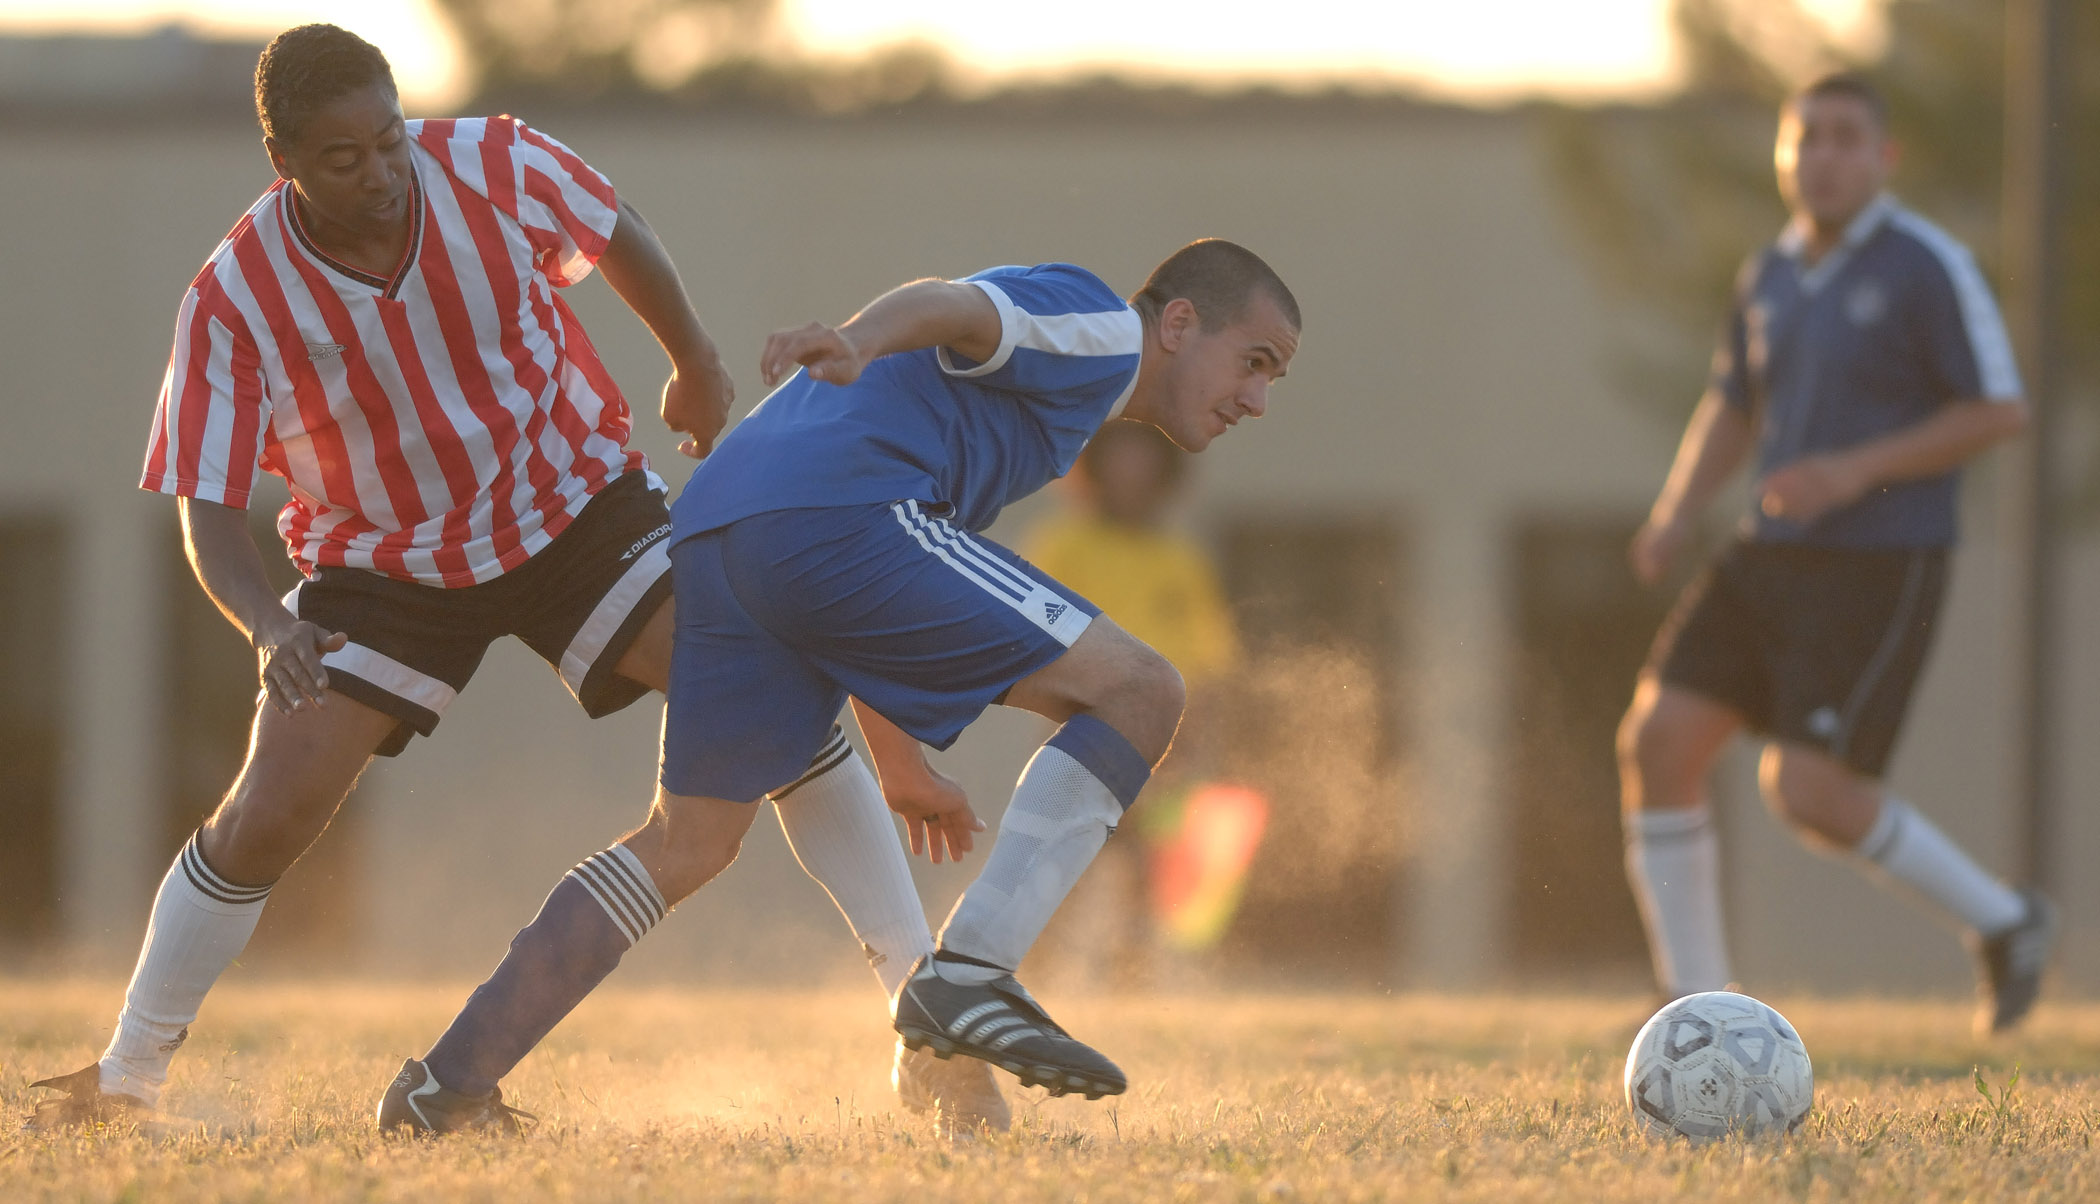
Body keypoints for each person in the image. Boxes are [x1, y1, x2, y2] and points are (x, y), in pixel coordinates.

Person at [28, 23, 1004, 1133]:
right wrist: (264, 623)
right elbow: (204, 506)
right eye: (343, 158)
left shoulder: (491, 159)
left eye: (390, 140)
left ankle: (926, 1029)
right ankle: (126, 1078)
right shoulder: (233, 296)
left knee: (764, 697)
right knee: (268, 811)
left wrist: (691, 358)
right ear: (282, 162)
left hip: (568, 502)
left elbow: (618, 230)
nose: (381, 173)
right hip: (383, 559)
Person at [380, 239, 1300, 1124]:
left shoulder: (1048, 402)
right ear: (1178, 323)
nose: (1258, 400)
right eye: (1253, 362)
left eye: (1274, 379)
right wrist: (857, 338)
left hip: (726, 531)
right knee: (1143, 691)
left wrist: (899, 764)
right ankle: (970, 981)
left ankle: (447, 1084)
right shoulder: (1104, 332)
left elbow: (871, 603)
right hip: (836, 512)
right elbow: (955, 305)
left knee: (688, 843)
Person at [1618, 72, 2055, 1034]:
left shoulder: (1926, 265)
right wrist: (1676, 510)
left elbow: (2000, 410)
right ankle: (1697, 1004)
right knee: (1659, 740)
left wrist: (1852, 471)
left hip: (1880, 560)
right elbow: (1733, 403)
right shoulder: (1769, 273)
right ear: (1784, 154)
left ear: (1883, 157)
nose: (1822, 156)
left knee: (1809, 792)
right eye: (1805, 137)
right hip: (1768, 551)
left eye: (1845, 138)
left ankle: (2004, 921)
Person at [1024, 421, 1244, 983]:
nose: (1132, 477)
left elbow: (1210, 660)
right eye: (1121, 464)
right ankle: (1020, 971)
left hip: (1166, 743)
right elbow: (1033, 644)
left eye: (1145, 466)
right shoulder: (1064, 547)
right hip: (1079, 731)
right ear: (1094, 472)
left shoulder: (1180, 560)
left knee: (1149, 868)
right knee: (1058, 861)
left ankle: (1135, 979)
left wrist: (1196, 740)